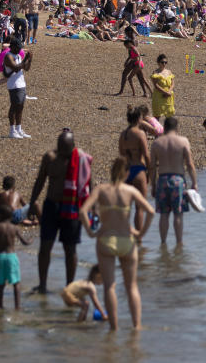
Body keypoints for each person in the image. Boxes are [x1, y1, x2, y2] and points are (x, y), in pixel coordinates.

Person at [80, 157, 155, 331]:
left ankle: (114, 329)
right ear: (127, 173)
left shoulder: (101, 190)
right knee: (132, 287)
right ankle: (136, 327)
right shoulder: (130, 191)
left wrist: (91, 232)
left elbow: (83, 211)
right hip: (126, 241)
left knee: (109, 287)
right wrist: (140, 233)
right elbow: (150, 211)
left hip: (106, 240)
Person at [27, 129, 92, 293]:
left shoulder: (82, 158)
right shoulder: (50, 158)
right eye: (61, 150)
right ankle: (42, 285)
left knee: (70, 249)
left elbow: (90, 184)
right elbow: (40, 180)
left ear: (73, 147)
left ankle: (69, 286)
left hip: (72, 208)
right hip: (52, 205)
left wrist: (92, 209)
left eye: (67, 151)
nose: (64, 155)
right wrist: (32, 202)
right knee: (45, 246)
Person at [149, 116, 198, 245]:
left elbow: (152, 167)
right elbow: (190, 164)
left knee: (163, 214)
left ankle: (163, 243)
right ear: (177, 128)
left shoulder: (157, 143)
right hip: (178, 180)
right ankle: (179, 243)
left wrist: (153, 185)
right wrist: (194, 183)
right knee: (178, 214)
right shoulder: (183, 141)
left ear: (164, 128)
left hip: (163, 179)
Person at [119, 105, 151, 236]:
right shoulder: (140, 133)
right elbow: (146, 154)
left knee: (126, 207)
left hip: (127, 170)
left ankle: (126, 235)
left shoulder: (123, 134)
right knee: (139, 207)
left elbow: (121, 154)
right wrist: (150, 172)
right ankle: (138, 238)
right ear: (138, 118)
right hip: (138, 170)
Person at [4, 37, 33, 139]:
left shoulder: (18, 56)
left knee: (20, 107)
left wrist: (29, 59)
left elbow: (26, 68)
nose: (19, 50)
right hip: (13, 85)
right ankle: (12, 131)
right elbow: (16, 68)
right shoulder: (8, 56)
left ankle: (19, 129)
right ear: (13, 47)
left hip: (21, 84)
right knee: (14, 107)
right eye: (18, 48)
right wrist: (25, 58)